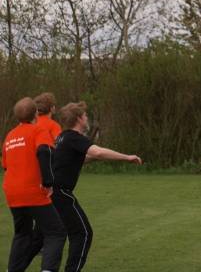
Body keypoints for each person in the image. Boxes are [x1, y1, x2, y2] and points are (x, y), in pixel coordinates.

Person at [52, 101, 142, 272]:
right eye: (85, 115)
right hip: (61, 193)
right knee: (83, 233)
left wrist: (98, 157)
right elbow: (98, 152)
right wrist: (127, 157)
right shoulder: (73, 137)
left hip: (52, 193)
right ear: (79, 119)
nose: (87, 118)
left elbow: (77, 159)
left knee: (40, 238)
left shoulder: (63, 137)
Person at [2, 97, 66, 272]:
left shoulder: (10, 136)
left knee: (22, 234)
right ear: (36, 113)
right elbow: (44, 151)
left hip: (12, 192)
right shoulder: (38, 130)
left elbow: (6, 165)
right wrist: (48, 182)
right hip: (32, 191)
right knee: (56, 232)